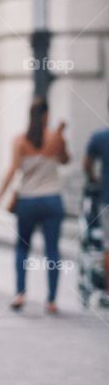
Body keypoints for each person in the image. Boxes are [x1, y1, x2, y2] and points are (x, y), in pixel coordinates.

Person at [0, 100, 69, 313]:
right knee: (52, 251)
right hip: (51, 200)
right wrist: (60, 140)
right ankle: (51, 300)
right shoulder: (55, 138)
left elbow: (12, 171)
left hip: (28, 201)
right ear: (47, 116)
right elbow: (66, 160)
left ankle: (20, 293)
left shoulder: (20, 141)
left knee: (22, 248)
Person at [82, 99, 109, 309]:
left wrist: (94, 180)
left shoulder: (100, 137)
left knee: (108, 246)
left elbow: (86, 164)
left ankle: (108, 292)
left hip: (106, 198)